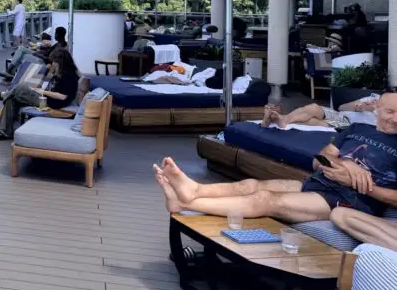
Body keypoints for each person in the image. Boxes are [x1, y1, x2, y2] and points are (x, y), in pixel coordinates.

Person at [153, 88, 397, 223]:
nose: (394, 118)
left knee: (266, 199)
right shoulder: (357, 129)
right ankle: (195, 189)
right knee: (251, 184)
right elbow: (319, 159)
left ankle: (185, 203)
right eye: (389, 111)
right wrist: (344, 163)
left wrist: (364, 186)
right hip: (318, 184)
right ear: (376, 110)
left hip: (350, 201)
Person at [0, 47, 79, 141]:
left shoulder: (69, 77)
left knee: (21, 87)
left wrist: (42, 92)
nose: (53, 64)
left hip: (50, 103)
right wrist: (40, 89)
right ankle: (7, 132)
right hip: (46, 98)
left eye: (54, 62)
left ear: (60, 62)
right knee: (11, 99)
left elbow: (63, 96)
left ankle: (3, 94)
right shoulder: (62, 73)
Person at [262, 94, 380, 130]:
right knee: (313, 107)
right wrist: (357, 107)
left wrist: (373, 110)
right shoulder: (373, 98)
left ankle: (276, 118)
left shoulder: (389, 111)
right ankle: (283, 118)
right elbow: (341, 108)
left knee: (313, 121)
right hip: (341, 115)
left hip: (349, 125)